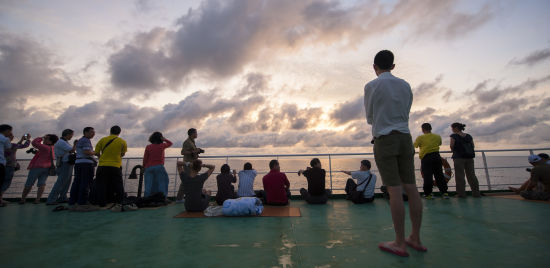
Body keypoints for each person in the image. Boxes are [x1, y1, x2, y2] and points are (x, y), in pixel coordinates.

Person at [364, 50, 425, 257]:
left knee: (395, 190)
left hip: (385, 139)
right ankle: (415, 237)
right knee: (412, 187)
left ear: (375, 67)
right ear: (393, 66)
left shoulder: (372, 86)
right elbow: (406, 110)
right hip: (405, 138)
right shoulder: (405, 85)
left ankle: (399, 242)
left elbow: (370, 118)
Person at [93, 125, 127, 207]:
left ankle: (102, 203)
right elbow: (122, 154)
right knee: (118, 184)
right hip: (115, 166)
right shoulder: (122, 142)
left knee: (101, 184)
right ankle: (120, 201)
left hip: (102, 165)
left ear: (110, 131)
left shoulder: (102, 140)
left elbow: (96, 152)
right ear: (119, 132)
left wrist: (100, 157)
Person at [20, 134, 59, 204]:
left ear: (51, 141)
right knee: (42, 184)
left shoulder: (45, 147)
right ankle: (37, 200)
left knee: (29, 183)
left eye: (47, 139)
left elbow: (34, 142)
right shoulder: (53, 148)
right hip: (47, 168)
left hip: (37, 167)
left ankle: (23, 199)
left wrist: (41, 137)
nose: (45, 140)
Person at [414, 123, 449, 199]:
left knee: (427, 176)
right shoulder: (437, 136)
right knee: (439, 175)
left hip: (426, 158)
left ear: (422, 129)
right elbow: (439, 143)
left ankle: (428, 194)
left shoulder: (420, 137)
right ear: (431, 128)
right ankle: (444, 193)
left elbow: (415, 145)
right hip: (436, 157)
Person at [46, 129, 77, 205]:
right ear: (67, 134)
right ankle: (51, 199)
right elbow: (72, 150)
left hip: (66, 163)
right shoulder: (61, 142)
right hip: (64, 164)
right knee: (61, 182)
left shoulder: (64, 142)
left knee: (66, 182)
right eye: (71, 135)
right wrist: (75, 144)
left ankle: (62, 197)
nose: (71, 136)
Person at [450, 122, 480, 198]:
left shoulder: (454, 136)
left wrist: (454, 150)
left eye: (452, 128)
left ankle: (461, 194)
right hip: (469, 158)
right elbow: (473, 146)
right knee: (472, 175)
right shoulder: (469, 136)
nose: (452, 130)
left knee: (460, 176)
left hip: (458, 158)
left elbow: (452, 145)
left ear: (455, 128)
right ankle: (476, 193)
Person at [69, 127, 97, 208]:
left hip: (79, 163)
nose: (93, 134)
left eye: (94, 132)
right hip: (86, 164)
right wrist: (95, 152)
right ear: (85, 132)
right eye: (91, 132)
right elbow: (87, 151)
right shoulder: (86, 140)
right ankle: (82, 201)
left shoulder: (81, 140)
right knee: (86, 182)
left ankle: (73, 200)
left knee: (77, 182)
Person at [2, 131, 31, 205]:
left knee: (2, 182)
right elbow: (24, 146)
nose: (13, 137)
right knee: (6, 183)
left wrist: (21, 140)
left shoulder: (4, 145)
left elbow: (17, 145)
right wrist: (28, 139)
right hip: (9, 166)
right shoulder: (11, 145)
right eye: (11, 136)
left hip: (3, 165)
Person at [177, 128, 203, 201]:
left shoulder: (192, 141)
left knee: (190, 180)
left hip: (192, 163)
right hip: (188, 164)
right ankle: (179, 198)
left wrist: (197, 151)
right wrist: (193, 152)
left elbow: (191, 151)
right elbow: (182, 152)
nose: (197, 134)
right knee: (186, 180)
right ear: (192, 134)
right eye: (196, 133)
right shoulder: (187, 142)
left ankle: (187, 196)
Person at [143, 132, 172, 198]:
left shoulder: (148, 147)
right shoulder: (162, 146)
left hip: (148, 167)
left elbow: (145, 158)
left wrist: (143, 167)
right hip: (159, 167)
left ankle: (146, 198)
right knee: (162, 183)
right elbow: (170, 143)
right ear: (160, 138)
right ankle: (162, 198)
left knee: (148, 185)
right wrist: (164, 139)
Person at [0, 124, 13, 207]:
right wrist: (10, 140)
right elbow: (8, 151)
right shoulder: (5, 139)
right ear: (7, 131)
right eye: (10, 131)